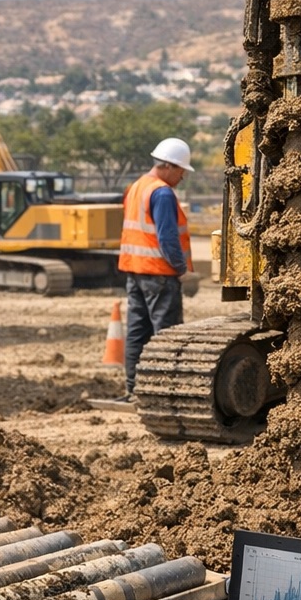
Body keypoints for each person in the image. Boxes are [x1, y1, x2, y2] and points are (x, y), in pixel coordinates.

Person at [117, 137, 196, 402]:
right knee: (167, 334)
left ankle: (134, 389)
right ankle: (163, 393)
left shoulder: (137, 187)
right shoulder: (161, 192)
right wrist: (182, 270)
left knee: (137, 332)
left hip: (135, 272)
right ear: (169, 166)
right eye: (182, 171)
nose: (182, 177)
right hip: (160, 275)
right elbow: (167, 239)